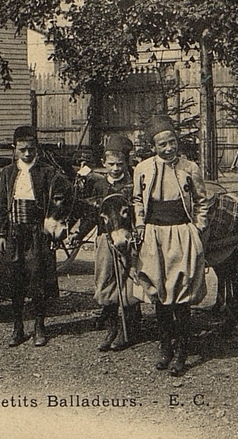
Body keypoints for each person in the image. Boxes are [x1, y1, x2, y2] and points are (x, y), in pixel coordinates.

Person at [132, 115, 208, 376]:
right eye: (162, 144)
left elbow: (201, 200)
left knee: (181, 294)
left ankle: (182, 352)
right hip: (153, 234)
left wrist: (197, 227)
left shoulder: (190, 167)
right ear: (154, 147)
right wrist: (140, 226)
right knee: (159, 294)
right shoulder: (142, 169)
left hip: (181, 234)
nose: (168, 148)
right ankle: (165, 348)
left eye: (172, 142)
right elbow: (137, 201)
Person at [0, 125, 69, 347]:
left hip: (37, 233)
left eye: (31, 149)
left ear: (37, 148)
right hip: (14, 233)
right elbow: (1, 206)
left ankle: (39, 326)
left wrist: (53, 222)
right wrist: (0, 234)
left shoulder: (47, 172)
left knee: (37, 279)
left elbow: (63, 196)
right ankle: (17, 326)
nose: (27, 154)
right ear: (15, 148)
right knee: (15, 279)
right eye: (23, 149)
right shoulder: (8, 174)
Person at [90, 135, 143, 351]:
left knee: (129, 281)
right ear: (104, 163)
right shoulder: (99, 185)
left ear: (127, 163)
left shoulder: (132, 185)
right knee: (105, 280)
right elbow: (93, 213)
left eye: (120, 164)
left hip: (129, 240)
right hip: (105, 239)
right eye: (111, 164)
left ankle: (127, 328)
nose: (115, 169)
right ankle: (111, 327)